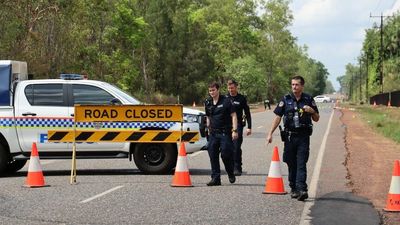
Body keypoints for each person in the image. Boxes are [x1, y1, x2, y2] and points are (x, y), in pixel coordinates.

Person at [266, 75, 319, 201]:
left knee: (301, 162)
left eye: (297, 85)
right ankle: (294, 187)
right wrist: (270, 133)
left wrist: (312, 111)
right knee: (291, 162)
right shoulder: (286, 99)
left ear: (302, 86)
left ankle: (302, 189)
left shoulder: (308, 99)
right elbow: (278, 117)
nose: (294, 87)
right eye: (292, 84)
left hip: (303, 136)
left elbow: (317, 118)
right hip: (290, 137)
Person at [204, 81, 238, 186]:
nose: (212, 92)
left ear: (218, 90)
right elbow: (208, 117)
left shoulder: (226, 101)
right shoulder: (208, 102)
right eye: (210, 91)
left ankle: (230, 172)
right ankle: (215, 178)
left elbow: (234, 116)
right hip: (213, 133)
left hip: (225, 133)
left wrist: (235, 130)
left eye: (213, 90)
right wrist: (207, 129)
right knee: (212, 154)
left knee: (225, 154)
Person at [227, 79, 252, 176]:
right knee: (228, 147)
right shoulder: (225, 98)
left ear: (236, 87)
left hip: (238, 125)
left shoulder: (241, 98)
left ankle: (237, 167)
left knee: (236, 147)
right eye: (229, 88)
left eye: (232, 88)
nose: (230, 90)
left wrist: (249, 127)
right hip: (227, 125)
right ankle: (230, 166)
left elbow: (247, 113)